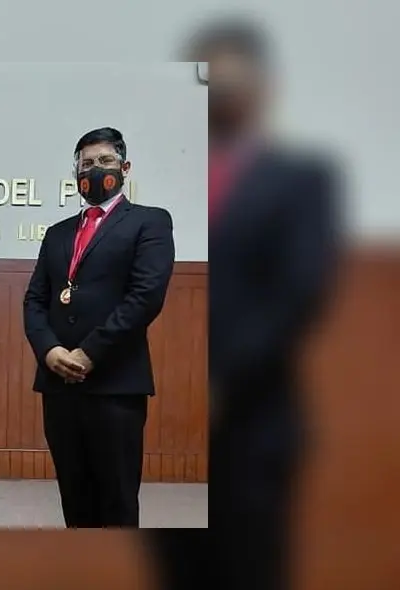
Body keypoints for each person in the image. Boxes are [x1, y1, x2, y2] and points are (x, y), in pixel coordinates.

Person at [150, 20, 340, 590]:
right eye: (206, 80)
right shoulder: (156, 180)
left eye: (232, 80)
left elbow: (299, 295)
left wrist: (217, 378)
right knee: (177, 570)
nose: (221, 93)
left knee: (252, 569)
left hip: (253, 421)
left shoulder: (302, 180)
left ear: (263, 87)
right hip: (164, 425)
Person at [23, 127, 176, 528]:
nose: (95, 170)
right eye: (86, 164)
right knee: (74, 497)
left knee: (116, 499)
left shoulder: (150, 222)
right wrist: (50, 351)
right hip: (59, 385)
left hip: (115, 383)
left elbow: (145, 297)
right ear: (75, 174)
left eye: (104, 161)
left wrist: (90, 352)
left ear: (124, 168)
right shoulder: (57, 234)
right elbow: (35, 301)